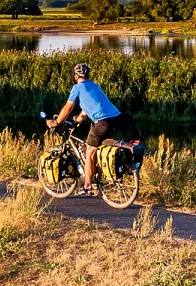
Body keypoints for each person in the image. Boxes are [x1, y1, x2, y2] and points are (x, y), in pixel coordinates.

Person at [46, 61, 139, 195]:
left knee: (89, 151)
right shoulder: (94, 86)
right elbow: (87, 109)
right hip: (117, 119)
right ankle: (98, 173)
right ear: (87, 75)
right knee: (98, 146)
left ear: (75, 76)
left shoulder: (77, 88)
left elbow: (68, 108)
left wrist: (56, 122)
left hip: (102, 122)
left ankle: (87, 186)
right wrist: (77, 121)